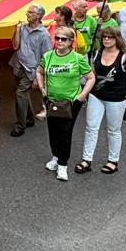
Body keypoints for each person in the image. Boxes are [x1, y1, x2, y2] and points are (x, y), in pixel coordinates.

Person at [28, 24, 89, 181]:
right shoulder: (48, 56)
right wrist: (42, 89)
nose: (59, 41)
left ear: (70, 42)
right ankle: (55, 156)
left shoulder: (77, 58)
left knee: (65, 132)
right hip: (51, 100)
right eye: (57, 38)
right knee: (53, 130)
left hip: (70, 102)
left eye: (63, 39)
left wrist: (81, 96)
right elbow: (40, 71)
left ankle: (63, 164)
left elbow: (91, 77)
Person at [76, 24, 126, 175]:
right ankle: (86, 159)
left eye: (110, 37)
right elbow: (91, 75)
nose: (106, 39)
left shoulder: (124, 57)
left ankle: (113, 161)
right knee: (91, 127)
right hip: (96, 96)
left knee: (113, 130)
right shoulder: (96, 54)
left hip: (116, 99)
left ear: (116, 39)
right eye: (104, 37)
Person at [8, 4, 52, 138]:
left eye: (31, 12)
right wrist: (17, 30)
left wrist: (39, 77)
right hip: (18, 65)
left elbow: (46, 57)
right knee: (24, 94)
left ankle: (20, 126)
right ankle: (30, 118)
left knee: (20, 94)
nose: (27, 14)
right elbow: (15, 46)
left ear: (39, 16)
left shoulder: (44, 34)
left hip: (32, 70)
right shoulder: (22, 28)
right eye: (27, 11)